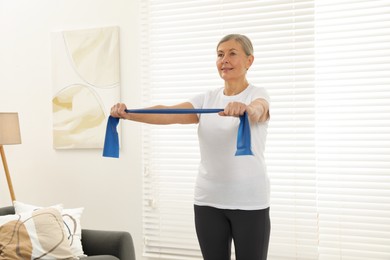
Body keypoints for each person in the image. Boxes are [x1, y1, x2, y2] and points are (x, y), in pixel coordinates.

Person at [110, 34, 271, 260]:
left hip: (249, 200)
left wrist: (245, 109)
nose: (224, 59)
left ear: (249, 61)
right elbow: (167, 113)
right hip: (207, 200)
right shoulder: (207, 98)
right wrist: (128, 114)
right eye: (220, 54)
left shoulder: (256, 94)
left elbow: (258, 110)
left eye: (232, 53)